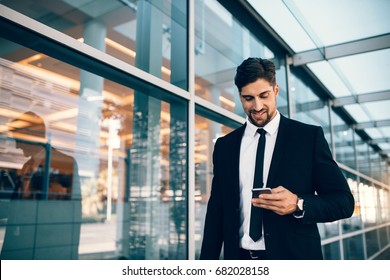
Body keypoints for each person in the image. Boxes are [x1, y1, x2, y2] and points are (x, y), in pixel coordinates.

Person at [200, 57, 355, 260]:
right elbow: (216, 213)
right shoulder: (225, 146)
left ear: (276, 90)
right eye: (248, 98)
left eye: (264, 95)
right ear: (239, 96)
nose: (257, 106)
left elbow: (343, 202)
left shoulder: (308, 138)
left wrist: (299, 204)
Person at [0, 111, 81, 259]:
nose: (17, 146)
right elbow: (18, 207)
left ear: (33, 136)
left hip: (47, 250)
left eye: (18, 139)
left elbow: (73, 214)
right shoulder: (26, 167)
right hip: (20, 247)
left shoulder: (66, 164)